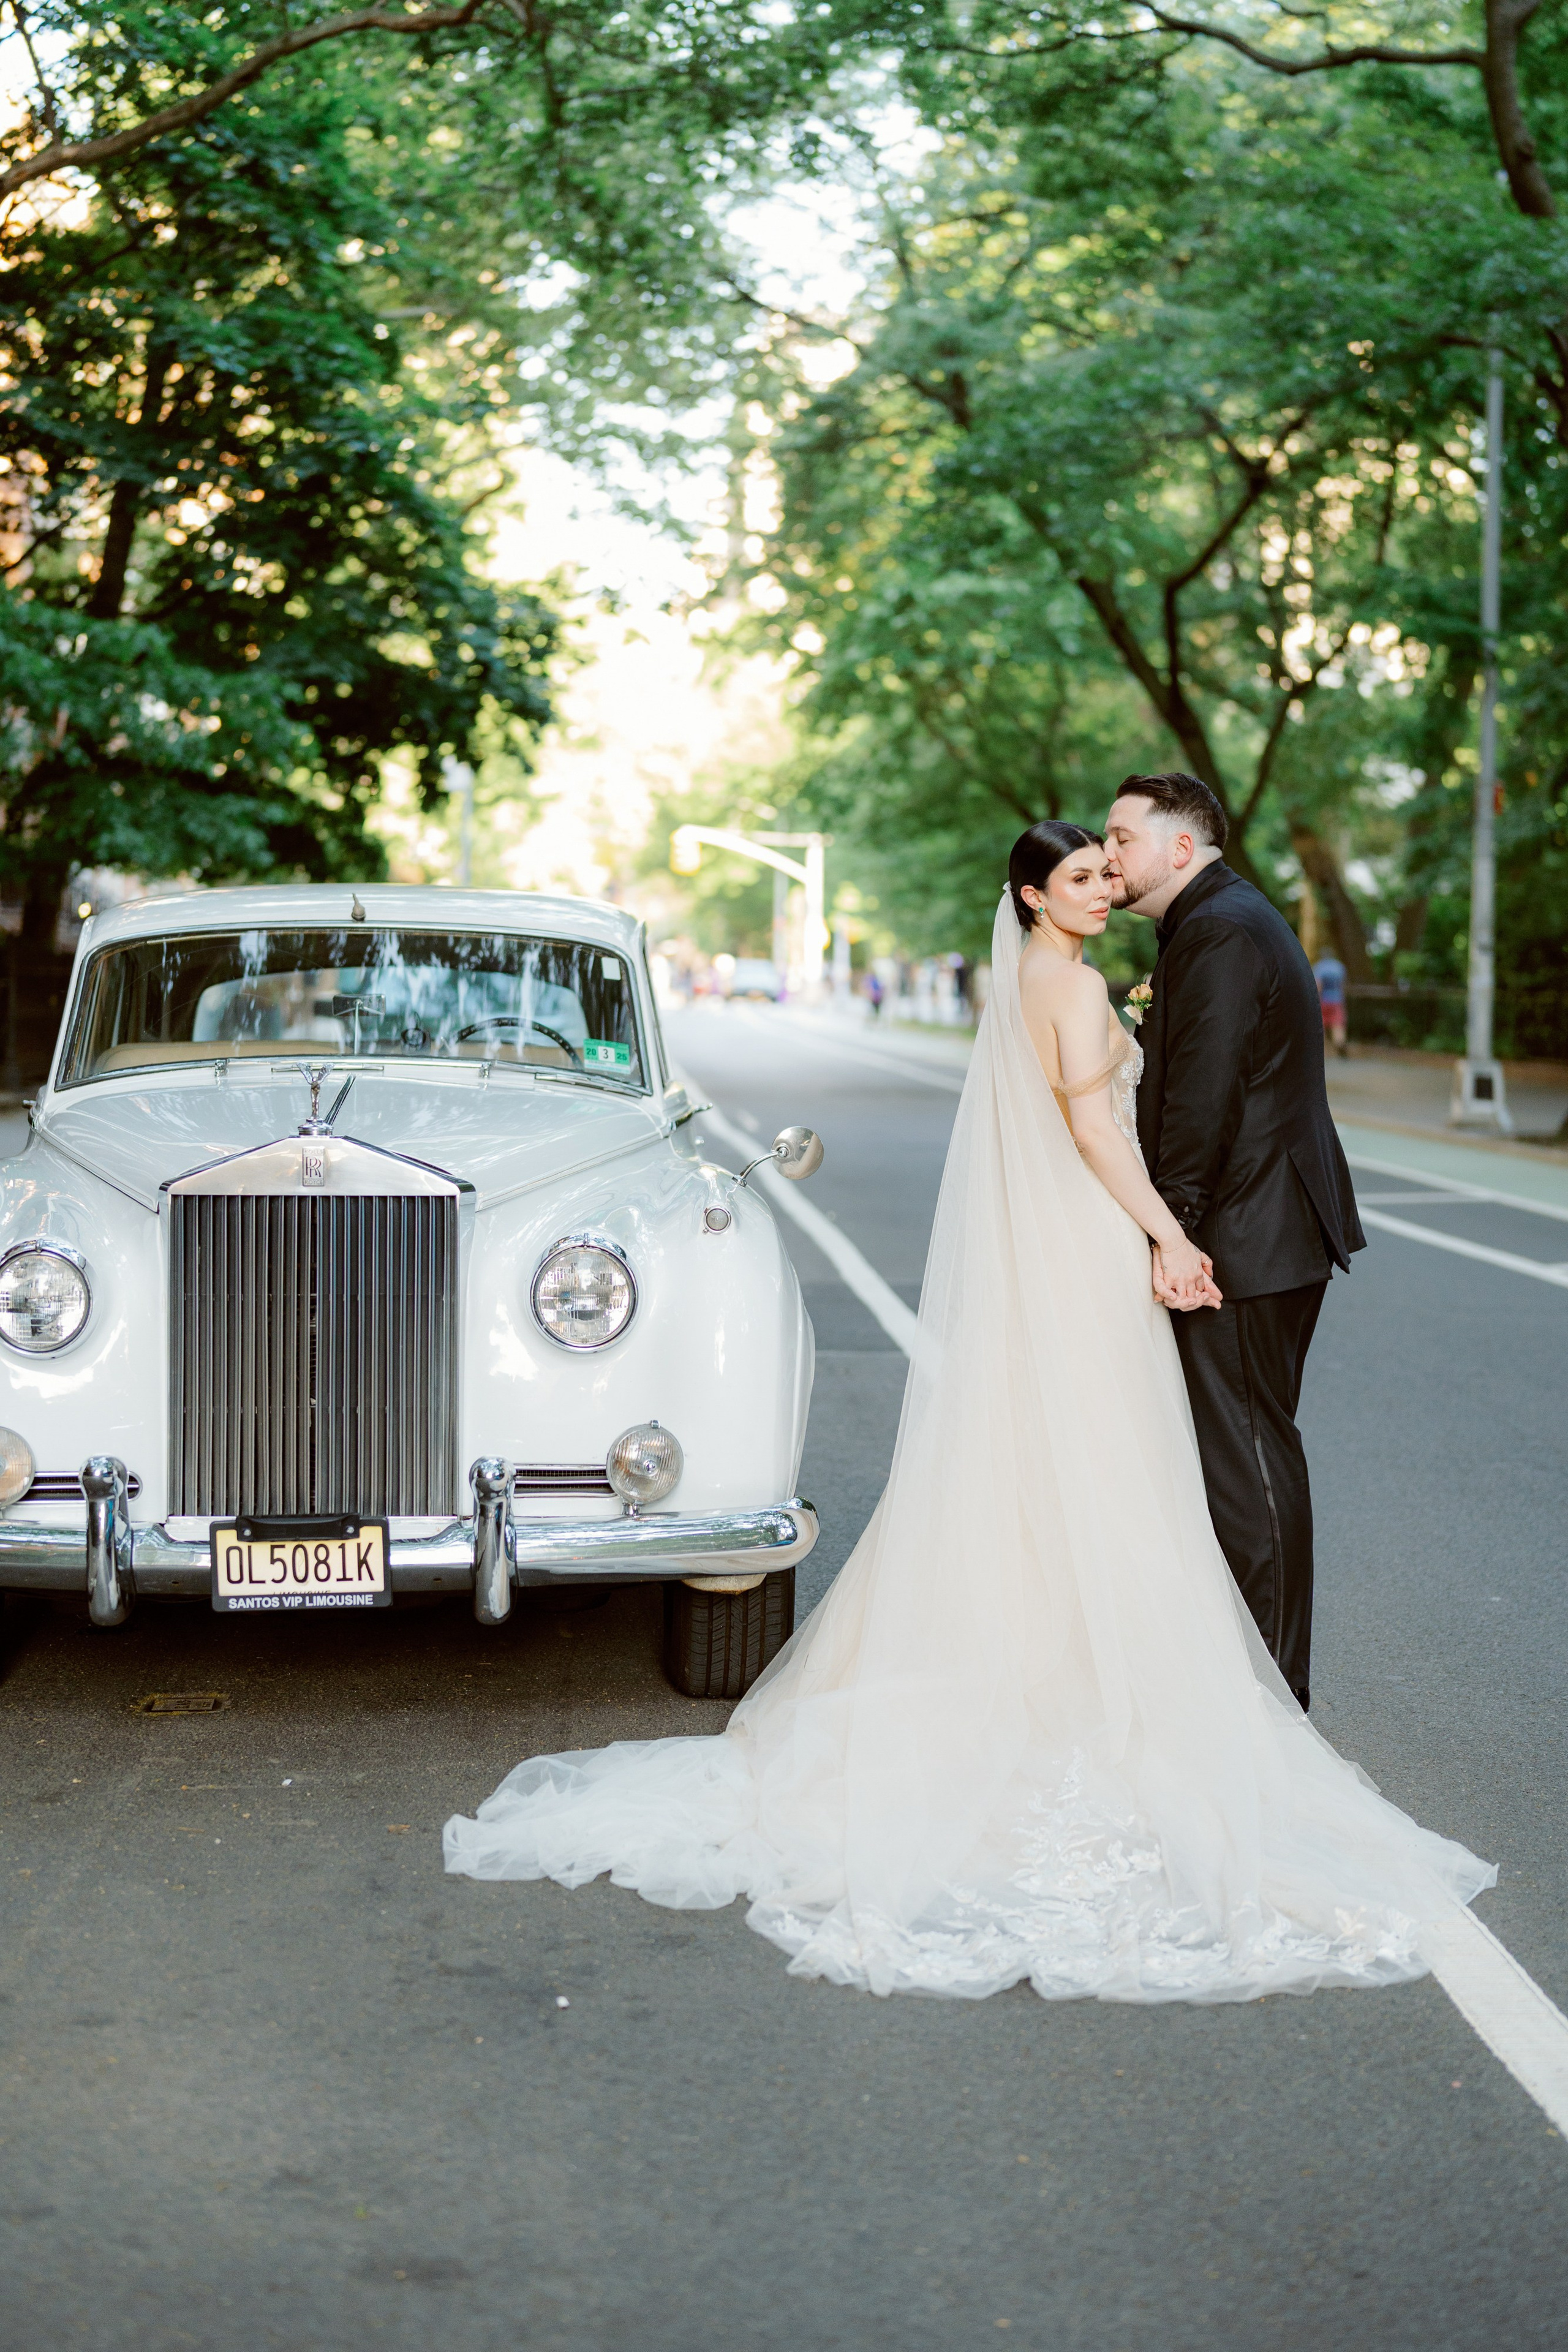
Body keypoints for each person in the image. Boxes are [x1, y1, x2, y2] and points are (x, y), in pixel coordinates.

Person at [443, 820, 1491, 2004]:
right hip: (1097, 1245)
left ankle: (1086, 1676)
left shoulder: (1036, 979)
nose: (1106, 888)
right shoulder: (1075, 988)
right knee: (1117, 1471)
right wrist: (1171, 1235)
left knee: (1057, 1470)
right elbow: (1099, 1132)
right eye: (1085, 877)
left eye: (1112, 869)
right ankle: (1135, 1695)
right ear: (1036, 898)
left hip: (1059, 1250)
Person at [1103, 775, 1363, 1714]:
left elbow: (1198, 1104)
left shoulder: (1218, 931)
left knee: (1248, 1465)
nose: (1109, 855)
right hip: (1262, 1225)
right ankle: (1255, 1682)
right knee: (1247, 1456)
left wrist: (1171, 1237)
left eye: (1124, 837)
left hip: (1244, 1238)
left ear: (1183, 848)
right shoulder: (1221, 919)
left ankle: (1274, 1704)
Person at [1314, 951, 1349, 1058]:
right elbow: (1343, 986)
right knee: (1337, 1024)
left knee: (1321, 1025)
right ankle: (1340, 1043)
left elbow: (1318, 985)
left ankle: (1321, 1051)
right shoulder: (1339, 967)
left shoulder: (1320, 967)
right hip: (1337, 1000)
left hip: (1324, 1001)